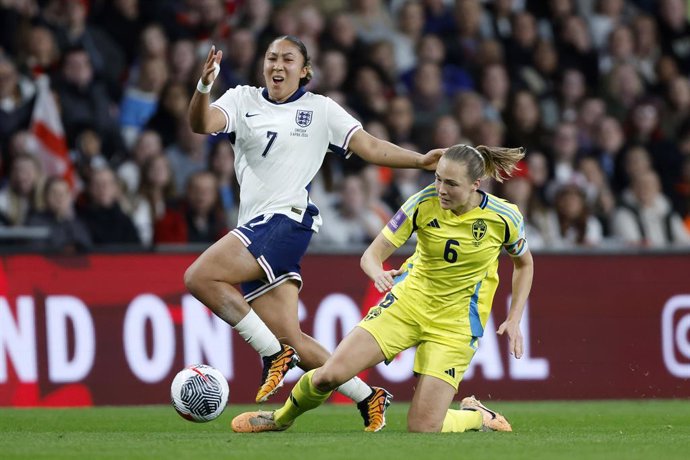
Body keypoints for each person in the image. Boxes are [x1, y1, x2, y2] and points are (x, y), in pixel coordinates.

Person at [184, 35, 442, 432]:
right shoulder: (241, 99)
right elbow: (201, 124)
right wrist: (204, 86)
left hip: (285, 220)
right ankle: (367, 396)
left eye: (288, 59)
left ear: (304, 71)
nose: (277, 65)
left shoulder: (319, 110)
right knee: (293, 340)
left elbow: (369, 146)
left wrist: (421, 160)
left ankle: (271, 357)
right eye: (271, 57)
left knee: (199, 277)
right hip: (254, 225)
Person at [231, 143, 534, 434]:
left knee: (424, 427)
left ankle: (476, 416)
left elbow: (524, 264)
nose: (441, 189)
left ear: (475, 185)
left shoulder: (504, 217)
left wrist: (514, 317)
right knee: (330, 375)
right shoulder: (422, 203)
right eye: (438, 178)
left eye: (451, 184)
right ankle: (280, 418)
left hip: (455, 326)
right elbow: (371, 255)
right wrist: (378, 273)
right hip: (407, 305)